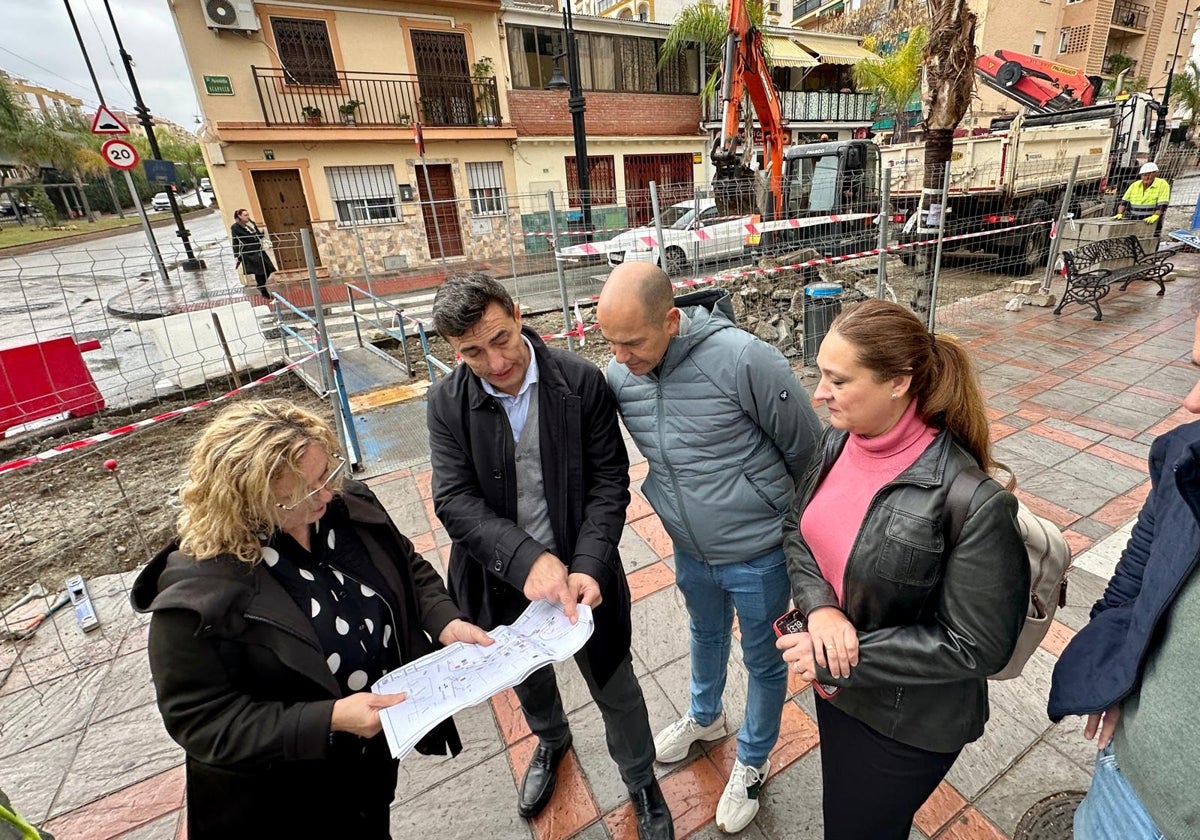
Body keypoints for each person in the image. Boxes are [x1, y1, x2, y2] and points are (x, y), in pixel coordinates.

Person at [132, 400, 491, 840]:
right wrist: (329, 719)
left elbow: (406, 565)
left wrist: (442, 619)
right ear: (249, 499)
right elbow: (202, 721)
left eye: (327, 473)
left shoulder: (344, 505)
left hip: (369, 760)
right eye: (302, 493)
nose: (325, 494)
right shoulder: (198, 596)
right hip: (284, 798)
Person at [425, 273, 673, 840]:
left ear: (517, 313)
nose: (494, 361)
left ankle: (640, 780)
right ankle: (551, 739)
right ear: (452, 351)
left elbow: (609, 481)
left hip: (586, 573)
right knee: (527, 679)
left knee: (616, 683)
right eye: (472, 352)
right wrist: (524, 559)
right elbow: (454, 501)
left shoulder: (580, 382)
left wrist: (587, 563)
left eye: (501, 338)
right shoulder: (446, 403)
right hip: (499, 577)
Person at [775, 299, 1029, 840]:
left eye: (838, 380)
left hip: (905, 719)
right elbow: (797, 529)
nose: (818, 392)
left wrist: (848, 649)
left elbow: (979, 645)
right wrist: (821, 611)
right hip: (840, 686)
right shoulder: (837, 442)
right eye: (821, 373)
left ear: (898, 383)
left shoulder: (972, 501)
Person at [597, 264, 822, 835]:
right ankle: (705, 715)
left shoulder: (746, 360)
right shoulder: (622, 376)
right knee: (704, 633)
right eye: (609, 343)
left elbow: (811, 455)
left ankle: (751, 758)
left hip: (760, 551)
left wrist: (802, 542)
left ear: (671, 321)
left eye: (632, 342)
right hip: (690, 547)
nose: (619, 357)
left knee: (765, 658)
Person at [1048, 314, 1200, 839]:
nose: (1192, 401)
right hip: (1129, 782)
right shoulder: (1187, 459)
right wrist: (1113, 670)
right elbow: (1134, 580)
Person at [231, 208, 276, 302]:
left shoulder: (251, 223)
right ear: (239, 216)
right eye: (245, 215)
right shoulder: (235, 227)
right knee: (259, 271)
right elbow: (235, 241)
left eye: (248, 214)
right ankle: (264, 291)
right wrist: (236, 255)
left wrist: (262, 232)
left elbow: (258, 236)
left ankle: (261, 286)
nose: (247, 217)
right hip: (249, 252)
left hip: (259, 249)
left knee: (269, 268)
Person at [1112, 162, 1170, 234]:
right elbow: (1123, 203)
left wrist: (1155, 216)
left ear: (1155, 174)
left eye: (1149, 175)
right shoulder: (1135, 185)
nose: (1146, 177)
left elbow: (1162, 205)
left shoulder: (1162, 184)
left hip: (1151, 221)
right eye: (1144, 175)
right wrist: (1120, 213)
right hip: (1134, 219)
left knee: (1150, 239)